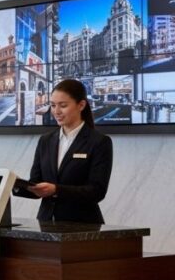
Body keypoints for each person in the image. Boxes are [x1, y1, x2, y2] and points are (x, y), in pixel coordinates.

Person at [14, 79, 113, 223]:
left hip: (83, 227)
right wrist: (16, 185)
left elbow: (97, 191)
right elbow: (37, 183)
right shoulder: (45, 141)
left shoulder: (99, 142)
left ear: (81, 105)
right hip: (46, 224)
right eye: (53, 105)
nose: (56, 111)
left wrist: (56, 190)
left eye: (63, 105)